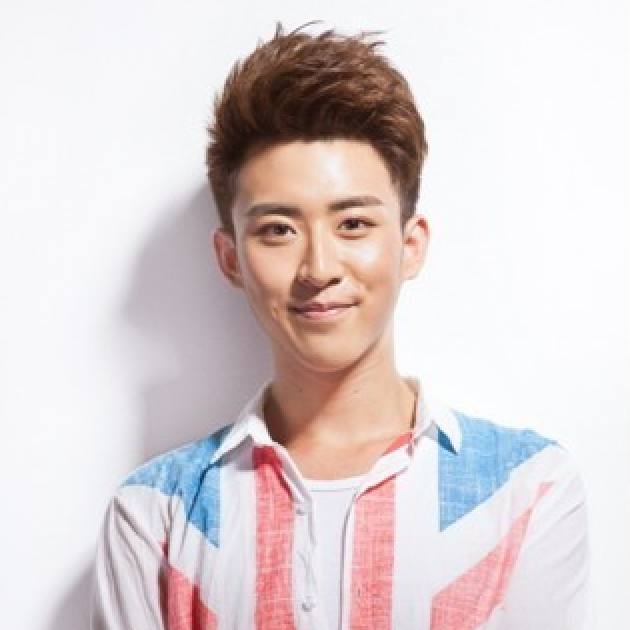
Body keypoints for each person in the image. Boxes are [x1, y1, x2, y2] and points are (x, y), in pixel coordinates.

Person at [91, 23, 593, 630]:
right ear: (231, 259)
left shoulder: (526, 490)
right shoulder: (154, 516)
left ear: (411, 245)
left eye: (353, 224)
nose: (319, 268)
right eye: (278, 229)